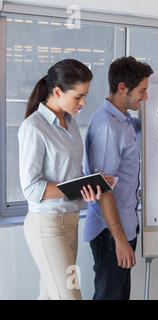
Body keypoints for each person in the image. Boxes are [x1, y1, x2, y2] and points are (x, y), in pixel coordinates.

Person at [19, 59, 112, 300]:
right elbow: (31, 189)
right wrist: (78, 186)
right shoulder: (34, 127)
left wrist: (91, 182)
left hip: (69, 223)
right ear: (58, 91)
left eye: (86, 96)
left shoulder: (70, 123)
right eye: (78, 96)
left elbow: (71, 176)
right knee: (70, 295)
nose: (83, 103)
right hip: (46, 226)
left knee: (50, 295)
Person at [84, 56, 153, 300]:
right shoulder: (106, 127)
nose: (145, 96)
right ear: (122, 88)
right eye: (142, 91)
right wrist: (120, 240)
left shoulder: (123, 121)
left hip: (123, 228)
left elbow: (147, 126)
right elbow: (102, 189)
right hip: (110, 234)